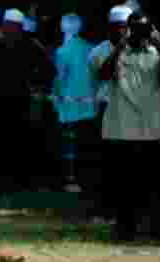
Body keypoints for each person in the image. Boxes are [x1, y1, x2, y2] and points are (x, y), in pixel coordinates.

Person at [93, 11, 160, 241]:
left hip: (154, 127)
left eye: (144, 29)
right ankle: (125, 228)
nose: (139, 34)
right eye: (135, 28)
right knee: (124, 183)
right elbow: (102, 74)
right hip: (123, 126)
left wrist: (159, 44)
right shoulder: (118, 51)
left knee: (154, 182)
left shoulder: (158, 51)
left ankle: (158, 228)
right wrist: (120, 46)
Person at [0, 9, 55, 196]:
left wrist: (32, 82)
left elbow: (49, 71)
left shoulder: (29, 45)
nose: (5, 27)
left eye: (8, 24)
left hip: (20, 100)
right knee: (0, 144)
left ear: (16, 26)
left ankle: (17, 183)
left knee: (18, 142)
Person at [88, 5, 134, 218]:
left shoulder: (143, 48)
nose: (120, 31)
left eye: (124, 27)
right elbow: (104, 75)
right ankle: (104, 208)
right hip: (108, 109)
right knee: (107, 161)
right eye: (116, 27)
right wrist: (120, 49)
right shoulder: (98, 51)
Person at [53, 13, 96, 193]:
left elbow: (59, 80)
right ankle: (87, 181)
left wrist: (56, 102)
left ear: (63, 27)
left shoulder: (62, 51)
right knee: (87, 146)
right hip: (90, 107)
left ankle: (72, 182)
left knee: (70, 147)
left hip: (69, 107)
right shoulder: (92, 48)